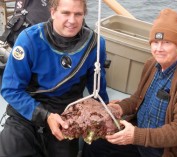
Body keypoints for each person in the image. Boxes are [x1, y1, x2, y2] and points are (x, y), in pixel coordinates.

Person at [82, 8, 177, 157]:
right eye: (155, 42)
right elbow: (137, 99)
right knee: (94, 144)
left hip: (162, 151)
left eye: (166, 42)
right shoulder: (151, 64)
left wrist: (136, 136)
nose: (159, 49)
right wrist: (118, 109)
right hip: (138, 137)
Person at [0, 0, 109, 156]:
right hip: (27, 111)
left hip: (66, 116)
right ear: (53, 12)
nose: (72, 20)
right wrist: (45, 116)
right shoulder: (29, 39)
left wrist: (107, 111)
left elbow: (98, 90)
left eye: (78, 14)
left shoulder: (94, 44)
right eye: (65, 13)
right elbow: (10, 89)